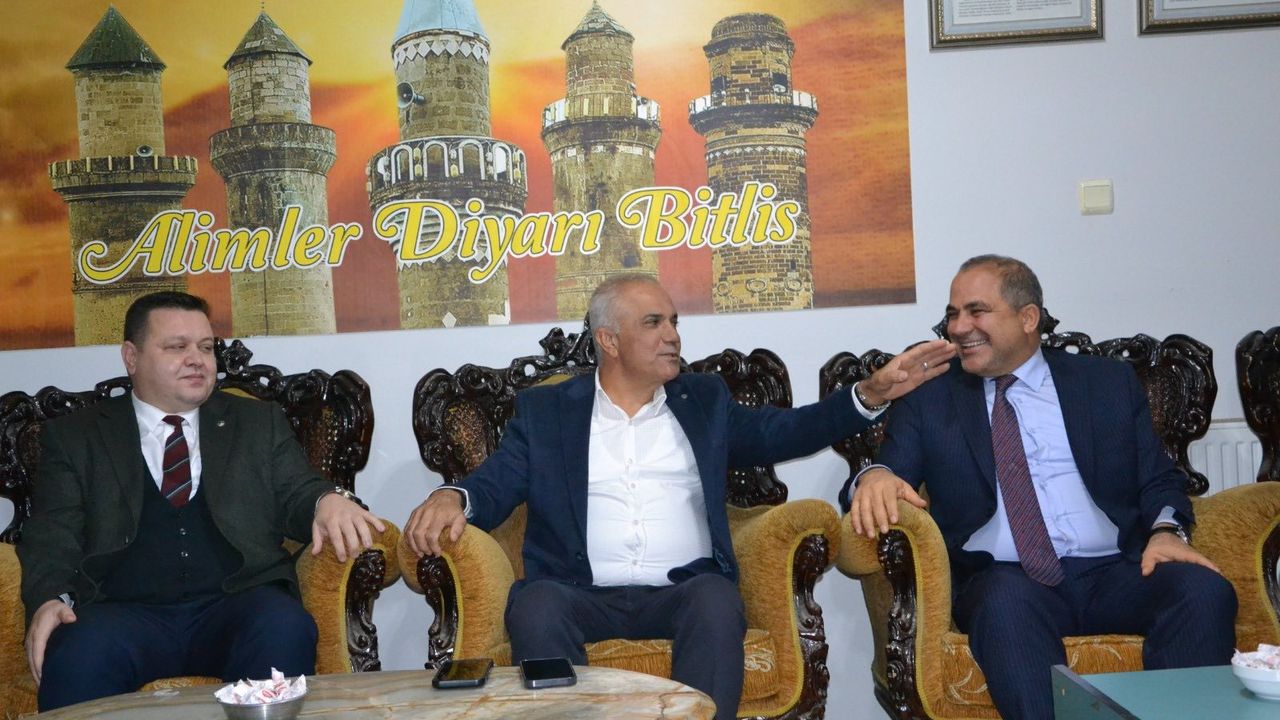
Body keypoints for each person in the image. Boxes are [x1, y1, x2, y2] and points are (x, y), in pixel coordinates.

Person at [404, 273, 956, 719]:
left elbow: (784, 432)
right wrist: (452, 497)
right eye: (654, 323)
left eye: (673, 321)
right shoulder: (547, 411)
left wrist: (869, 394)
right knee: (535, 606)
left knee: (715, 599)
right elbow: (497, 483)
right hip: (577, 594)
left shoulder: (703, 401)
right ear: (609, 340)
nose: (672, 335)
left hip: (682, 591)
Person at [841, 255, 1236, 720]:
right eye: (953, 314)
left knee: (1202, 590)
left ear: (1028, 318)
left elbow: (1159, 477)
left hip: (1116, 570)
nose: (959, 327)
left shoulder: (1105, 383)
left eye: (976, 311)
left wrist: (1167, 531)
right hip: (1006, 578)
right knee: (1005, 606)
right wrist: (874, 477)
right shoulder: (931, 398)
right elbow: (884, 474)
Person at [19, 291, 385, 711]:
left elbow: (297, 491)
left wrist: (326, 499)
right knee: (76, 653)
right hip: (119, 612)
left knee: (284, 626)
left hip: (235, 604)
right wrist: (50, 598)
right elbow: (53, 534)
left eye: (206, 347)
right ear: (131, 357)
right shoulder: (77, 436)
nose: (197, 360)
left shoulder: (257, 422)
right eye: (177, 347)